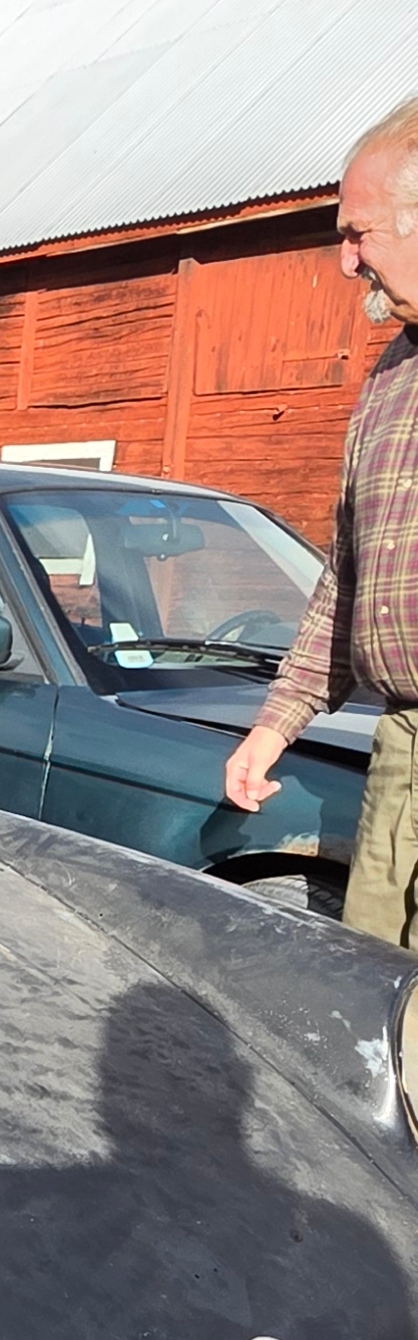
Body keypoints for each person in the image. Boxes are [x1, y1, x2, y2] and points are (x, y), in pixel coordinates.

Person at [225, 101, 418, 943]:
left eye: (357, 233)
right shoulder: (392, 375)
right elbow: (347, 577)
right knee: (379, 985)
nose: (345, 262)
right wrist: (275, 726)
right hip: (402, 746)